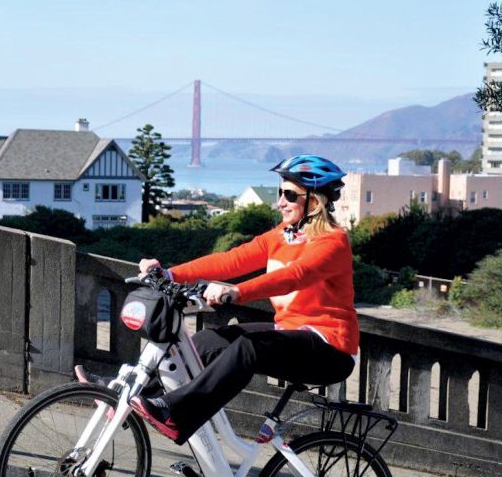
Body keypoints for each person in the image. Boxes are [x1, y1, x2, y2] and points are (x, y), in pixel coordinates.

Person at [129, 155, 359, 445]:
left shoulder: (333, 242)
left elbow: (295, 275)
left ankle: (176, 413)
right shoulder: (281, 237)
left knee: (248, 349)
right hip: (289, 332)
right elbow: (231, 261)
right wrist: (170, 274)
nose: (281, 202)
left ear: (314, 202)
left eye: (290, 195)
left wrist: (238, 292)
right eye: (280, 193)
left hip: (330, 349)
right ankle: (131, 397)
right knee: (205, 343)